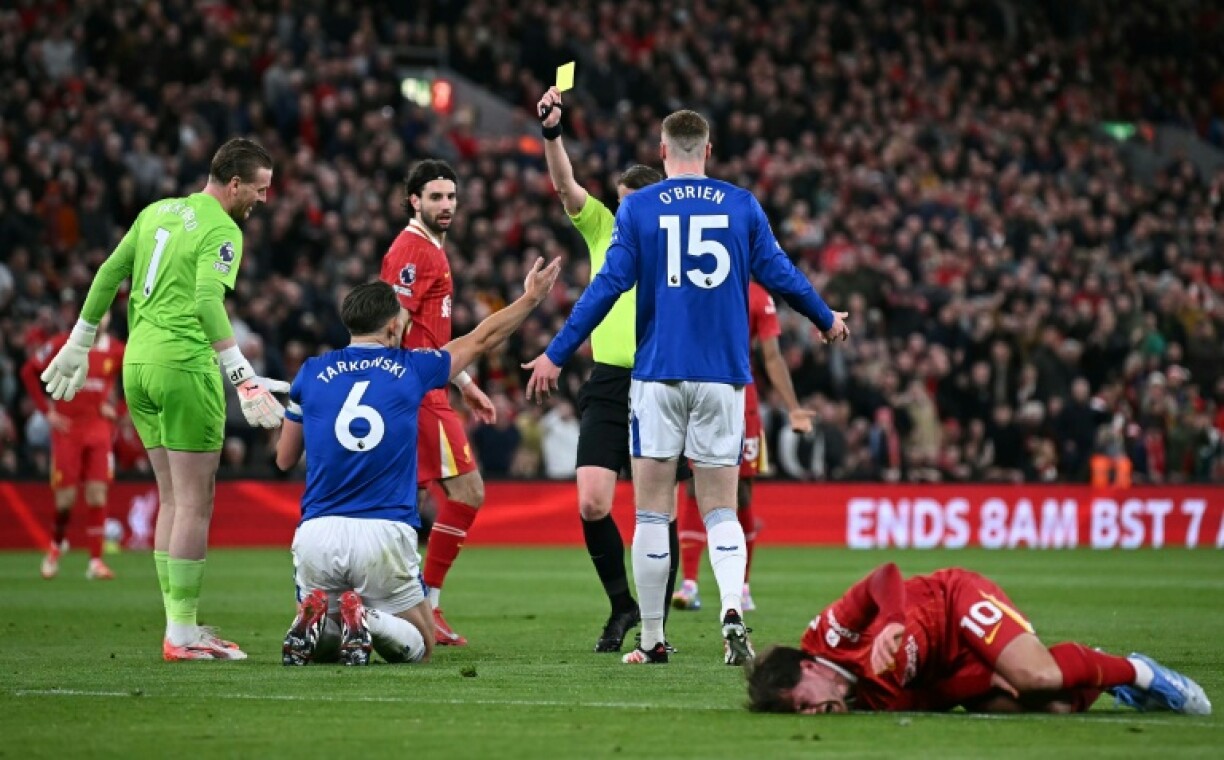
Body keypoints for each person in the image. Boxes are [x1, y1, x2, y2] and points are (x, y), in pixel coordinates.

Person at [524, 110, 850, 665]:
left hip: (658, 376)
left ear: (662, 150)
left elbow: (605, 288)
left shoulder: (640, 208)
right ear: (708, 149)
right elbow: (781, 273)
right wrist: (825, 318)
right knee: (721, 508)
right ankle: (732, 609)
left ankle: (652, 639)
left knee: (652, 511)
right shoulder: (741, 204)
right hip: (723, 377)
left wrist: (556, 353)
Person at [40, 138, 288, 661]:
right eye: (260, 189)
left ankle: (180, 627)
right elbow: (206, 303)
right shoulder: (223, 229)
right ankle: (182, 633)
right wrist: (242, 374)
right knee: (195, 502)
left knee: (172, 499)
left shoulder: (157, 211)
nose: (263, 200)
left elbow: (109, 272)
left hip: (137, 365)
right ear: (235, 184)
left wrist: (80, 340)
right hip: (183, 367)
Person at [278, 260, 562, 666]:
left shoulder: (311, 372)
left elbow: (285, 459)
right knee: (423, 645)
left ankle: (322, 622)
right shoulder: (410, 368)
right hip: (383, 531)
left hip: (318, 533)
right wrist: (531, 298)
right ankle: (370, 618)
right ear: (394, 327)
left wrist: (290, 414)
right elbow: (481, 339)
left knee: (326, 640)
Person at [537, 85, 682, 652]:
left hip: (661, 381)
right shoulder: (605, 228)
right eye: (619, 203)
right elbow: (565, 184)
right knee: (592, 502)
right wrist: (552, 132)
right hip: (609, 382)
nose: (623, 212)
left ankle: (655, 624)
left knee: (658, 508)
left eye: (631, 203)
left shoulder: (675, 238)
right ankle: (623, 605)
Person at [745, 562, 1212, 716]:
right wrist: (983, 682)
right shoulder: (865, 703)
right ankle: (1100, 674)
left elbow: (883, 576)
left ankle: (1141, 672)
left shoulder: (829, 636)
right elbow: (931, 696)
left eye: (802, 702)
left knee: (1032, 676)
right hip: (951, 666)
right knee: (1051, 706)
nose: (811, 713)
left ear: (808, 667)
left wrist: (891, 621)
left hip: (954, 603)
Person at [379, 159, 497, 647]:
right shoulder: (413, 251)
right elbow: (392, 327)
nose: (446, 205)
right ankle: (423, 603)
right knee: (466, 491)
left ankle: (398, 604)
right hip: (418, 393)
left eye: (450, 196)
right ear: (414, 201)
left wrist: (464, 382)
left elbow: (429, 334)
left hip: (427, 387)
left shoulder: (429, 249)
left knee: (410, 501)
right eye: (435, 197)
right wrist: (394, 388)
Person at [673, 281, 813, 612]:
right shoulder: (696, 284)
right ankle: (689, 583)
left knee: (742, 493)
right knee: (693, 485)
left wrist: (793, 407)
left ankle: (743, 586)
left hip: (741, 401)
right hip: (698, 393)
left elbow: (772, 356)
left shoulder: (757, 295)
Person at [21, 311, 125, 580]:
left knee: (97, 496)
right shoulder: (62, 344)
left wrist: (118, 410)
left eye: (105, 315)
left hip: (99, 430)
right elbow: (28, 371)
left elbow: (138, 382)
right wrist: (47, 412)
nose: (101, 320)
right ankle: (55, 548)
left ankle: (95, 561)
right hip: (67, 430)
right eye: (97, 313)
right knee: (65, 501)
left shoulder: (117, 351)